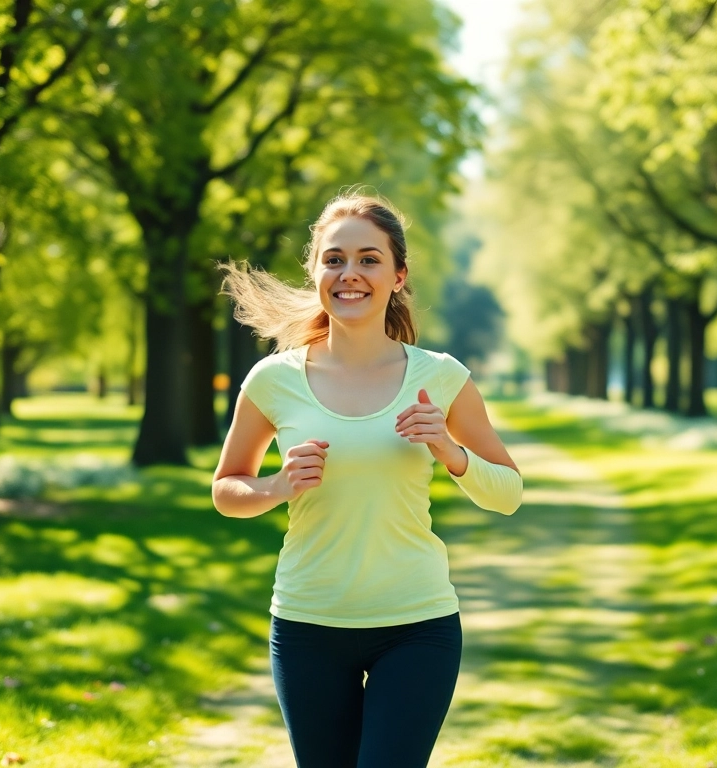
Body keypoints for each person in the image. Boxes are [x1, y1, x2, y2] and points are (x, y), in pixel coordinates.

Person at [210, 192, 523, 768]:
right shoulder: (273, 380)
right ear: (315, 273)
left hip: (417, 625)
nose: (349, 273)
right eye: (334, 259)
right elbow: (227, 490)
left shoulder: (440, 377)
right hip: (308, 624)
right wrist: (278, 486)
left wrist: (448, 450)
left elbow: (508, 493)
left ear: (398, 276)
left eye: (368, 259)